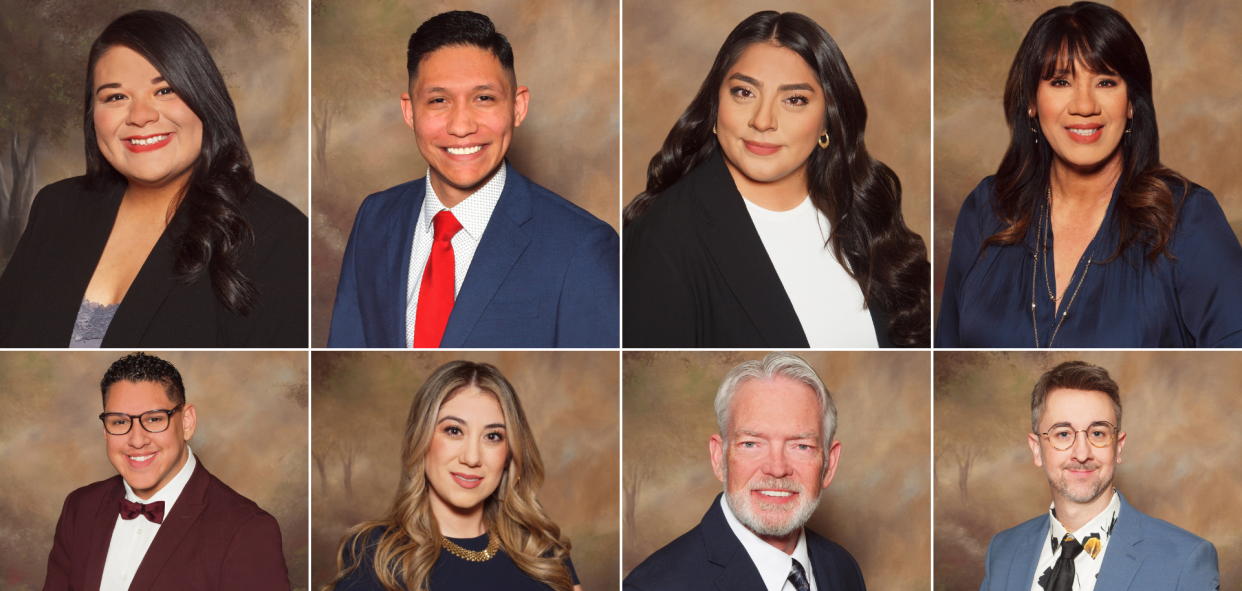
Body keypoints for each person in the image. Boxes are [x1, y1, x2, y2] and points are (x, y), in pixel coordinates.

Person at [936, 2, 1242, 348]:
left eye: (1106, 82)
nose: (1084, 106)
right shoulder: (986, 208)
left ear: (1130, 103)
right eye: (1061, 81)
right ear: (1031, 101)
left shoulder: (1188, 219)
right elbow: (946, 343)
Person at [0, 10, 308, 348]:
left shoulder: (277, 236)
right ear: (93, 116)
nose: (141, 116)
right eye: (116, 97)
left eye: (164, 91)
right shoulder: (55, 206)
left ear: (205, 99)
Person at [622, 11, 929, 349]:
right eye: (744, 92)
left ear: (828, 120)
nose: (763, 120)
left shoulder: (865, 211)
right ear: (715, 104)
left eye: (794, 99)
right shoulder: (661, 238)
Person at [945, 361, 1242, 591]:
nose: (1081, 453)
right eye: (1062, 434)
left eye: (1098, 433)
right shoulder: (1005, 550)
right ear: (1036, 449)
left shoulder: (1183, 559)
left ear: (1118, 446)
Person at [312, 361, 605, 591]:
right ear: (421, 440)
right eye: (454, 431)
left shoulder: (538, 542)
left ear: (509, 454)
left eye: (493, 436)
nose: (472, 456)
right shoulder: (378, 552)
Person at [326, 11, 619, 349]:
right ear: (410, 112)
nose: (462, 126)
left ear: (518, 106)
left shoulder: (582, 248)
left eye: (484, 98)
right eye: (438, 100)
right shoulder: (374, 219)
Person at [26, 353, 306, 591]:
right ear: (104, 430)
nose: (136, 439)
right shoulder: (80, 508)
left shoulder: (245, 529)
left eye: (154, 419)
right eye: (119, 422)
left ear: (187, 421)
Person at [624, 352, 880, 591]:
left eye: (801, 445)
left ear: (828, 464)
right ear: (719, 457)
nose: (776, 468)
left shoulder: (843, 569)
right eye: (751, 443)